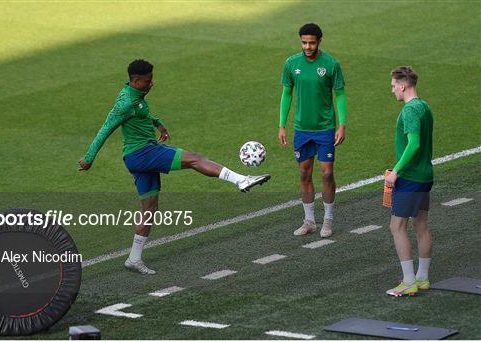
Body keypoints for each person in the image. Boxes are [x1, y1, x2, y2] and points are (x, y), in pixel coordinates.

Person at [79, 59, 270, 275]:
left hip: (139, 156)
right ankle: (240, 180)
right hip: (143, 153)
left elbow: (141, 112)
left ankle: (134, 258)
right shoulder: (124, 103)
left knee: (149, 207)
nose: (152, 84)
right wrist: (89, 158)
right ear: (137, 80)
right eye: (148, 81)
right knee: (194, 159)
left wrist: (157, 122)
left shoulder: (136, 97)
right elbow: (105, 128)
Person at [278, 23, 347, 238]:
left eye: (312, 42)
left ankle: (328, 219)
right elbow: (287, 94)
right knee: (304, 173)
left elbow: (340, 95)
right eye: (304, 42)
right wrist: (282, 125)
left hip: (325, 128)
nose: (307, 46)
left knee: (327, 173)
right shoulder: (291, 64)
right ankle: (309, 221)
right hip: (302, 129)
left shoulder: (331, 65)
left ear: (319, 41)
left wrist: (342, 124)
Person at [385, 66, 434, 296]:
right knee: (421, 225)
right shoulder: (424, 106)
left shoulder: (410, 111)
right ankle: (422, 278)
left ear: (403, 85)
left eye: (394, 85)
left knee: (397, 226)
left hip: (411, 178)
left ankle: (408, 280)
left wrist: (396, 170)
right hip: (425, 176)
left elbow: (413, 144)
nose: (392, 89)